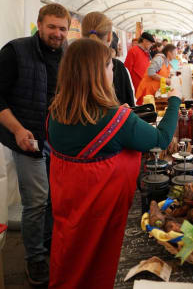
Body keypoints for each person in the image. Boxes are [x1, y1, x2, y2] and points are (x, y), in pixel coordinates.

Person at [47, 38, 181, 288]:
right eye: (110, 66)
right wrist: (174, 101)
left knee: (71, 262)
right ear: (99, 73)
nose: (113, 71)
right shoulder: (115, 118)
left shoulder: (56, 113)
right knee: (98, 268)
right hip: (101, 217)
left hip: (68, 213)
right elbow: (161, 140)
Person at [0, 3, 71, 285]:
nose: (57, 33)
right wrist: (17, 130)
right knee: (37, 201)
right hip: (26, 140)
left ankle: (50, 248)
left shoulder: (67, 53)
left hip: (59, 141)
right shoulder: (15, 51)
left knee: (56, 199)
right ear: (39, 25)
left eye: (62, 28)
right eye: (52, 27)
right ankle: (35, 259)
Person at [81, 12, 135, 107]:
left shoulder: (71, 65)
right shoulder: (117, 67)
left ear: (82, 34)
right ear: (110, 37)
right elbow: (130, 105)